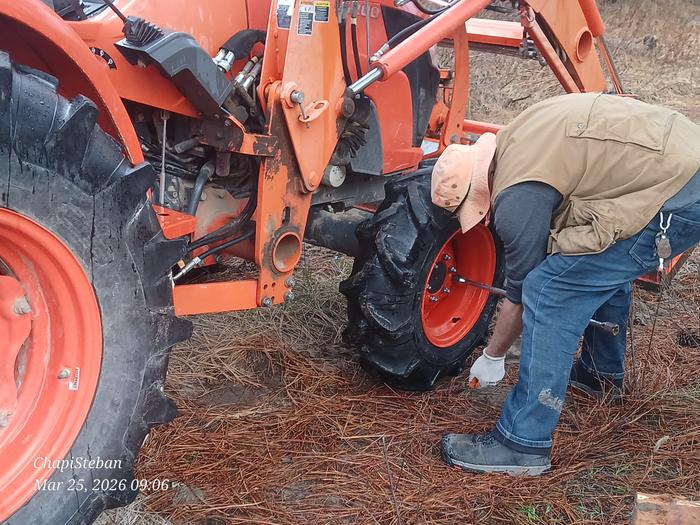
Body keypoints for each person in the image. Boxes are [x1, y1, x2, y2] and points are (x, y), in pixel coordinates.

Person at [430, 92, 700, 475]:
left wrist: (492, 356)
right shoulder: (520, 136)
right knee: (592, 268)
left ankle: (521, 444)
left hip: (677, 196)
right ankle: (599, 374)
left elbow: (523, 294)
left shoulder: (518, 196)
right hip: (682, 160)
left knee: (551, 290)